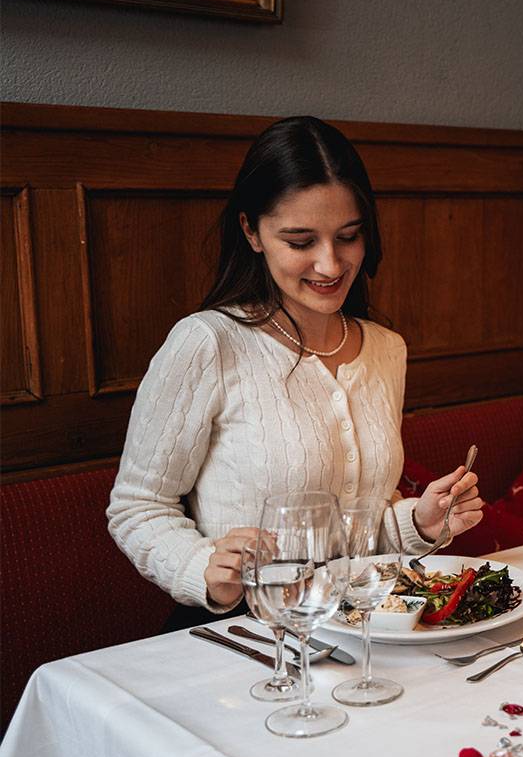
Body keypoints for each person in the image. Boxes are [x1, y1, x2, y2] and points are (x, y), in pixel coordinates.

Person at [108, 117, 484, 621]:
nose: (330, 265)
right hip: (245, 630)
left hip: (360, 625)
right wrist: (204, 568)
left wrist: (417, 522)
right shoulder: (208, 342)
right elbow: (137, 506)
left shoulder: (385, 349)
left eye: (348, 236)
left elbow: (355, 529)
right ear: (252, 231)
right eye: (301, 242)